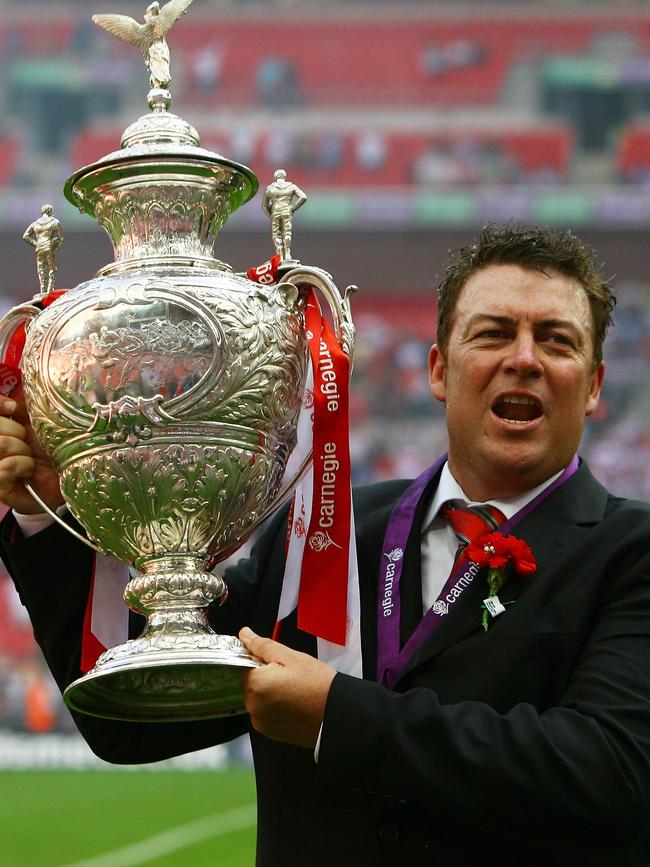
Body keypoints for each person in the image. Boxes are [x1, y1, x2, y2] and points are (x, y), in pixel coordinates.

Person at [1, 224, 650, 866]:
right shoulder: (327, 529)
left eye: (556, 341)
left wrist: (337, 717)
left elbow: (613, 772)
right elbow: (133, 718)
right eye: (494, 333)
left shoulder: (633, 552)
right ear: (439, 370)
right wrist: (45, 506)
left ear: (593, 385)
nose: (525, 358)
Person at [22, 204, 64, 295]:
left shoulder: (35, 223)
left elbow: (25, 236)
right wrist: (56, 248)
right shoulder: (54, 222)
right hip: (49, 247)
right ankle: (50, 289)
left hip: (39, 248)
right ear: (50, 211)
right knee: (52, 268)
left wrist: (36, 244)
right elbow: (61, 238)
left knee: (41, 269)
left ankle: (43, 289)